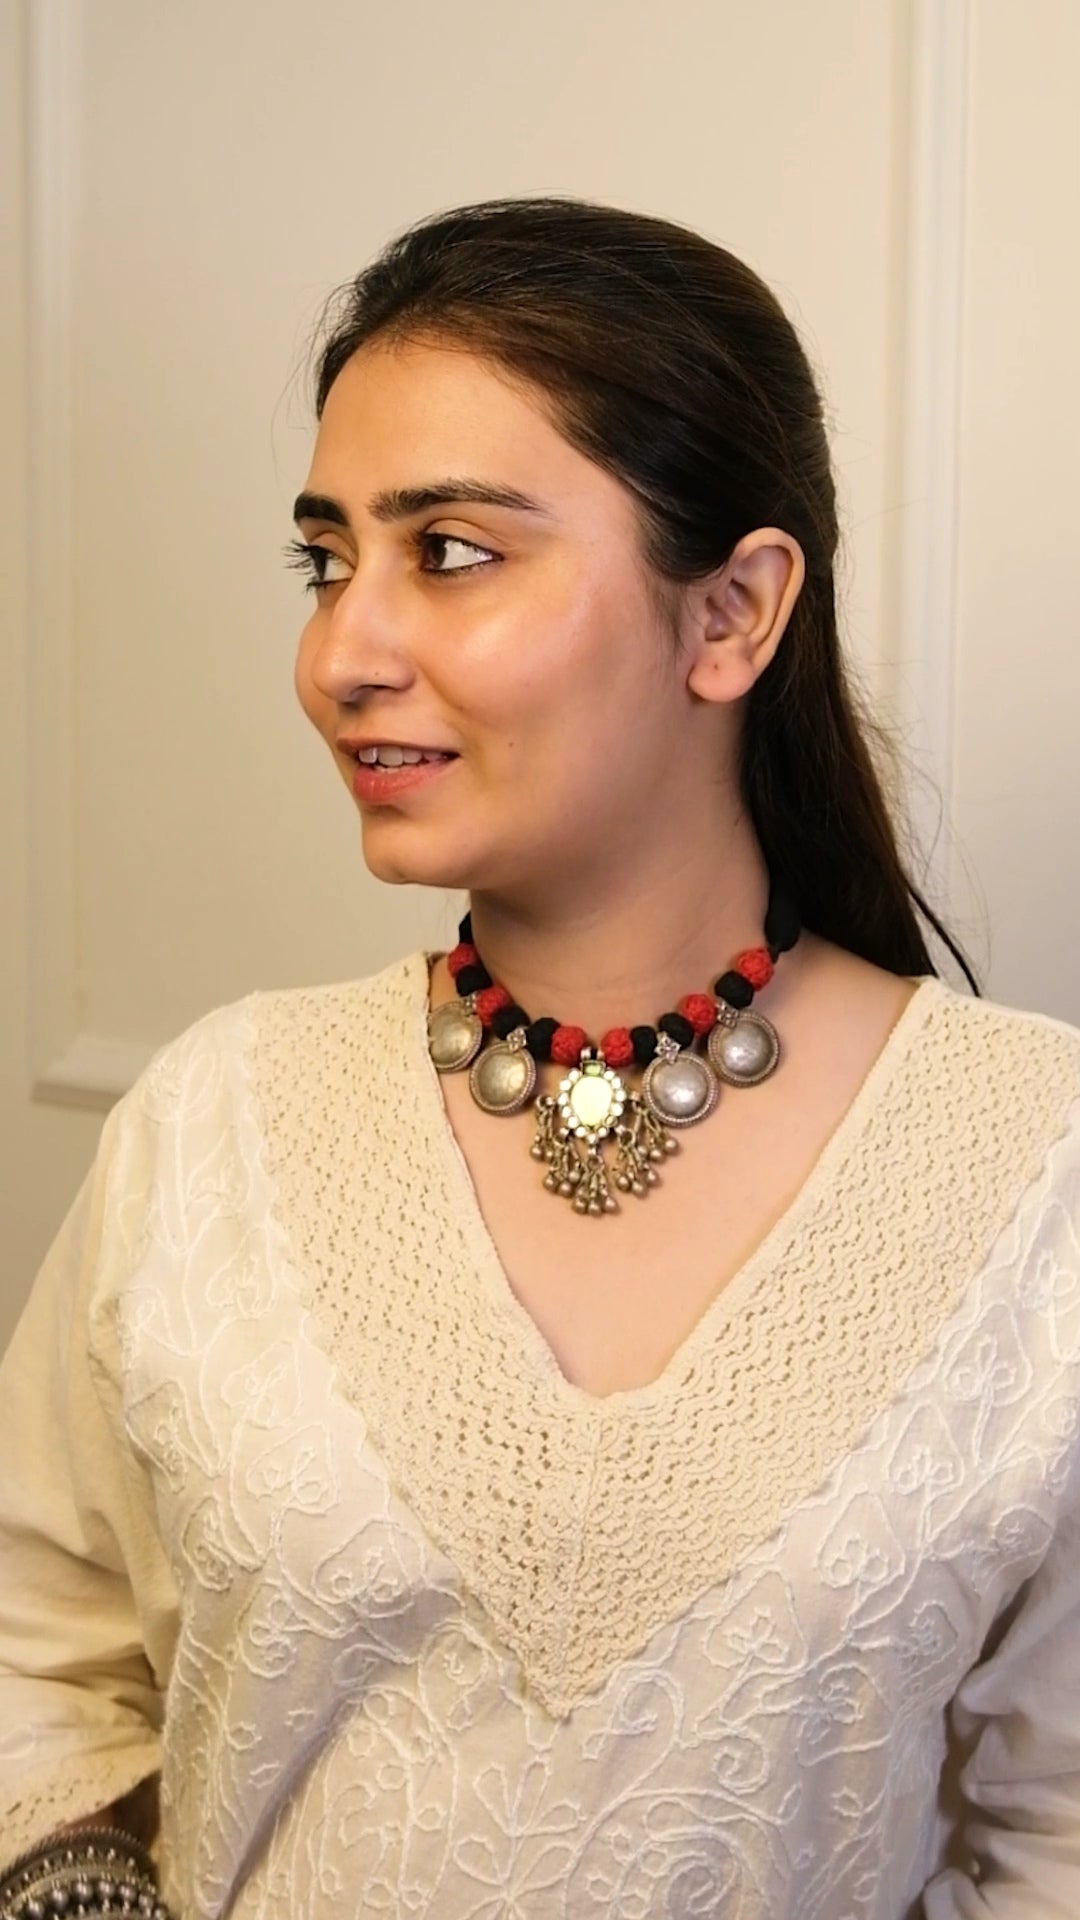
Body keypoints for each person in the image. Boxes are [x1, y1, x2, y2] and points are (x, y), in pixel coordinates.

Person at [1, 195, 1078, 1920]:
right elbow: (34, 1658)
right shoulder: (214, 1124)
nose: (342, 652)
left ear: (730, 614)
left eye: (451, 550)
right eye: (326, 559)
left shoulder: (1038, 1167)